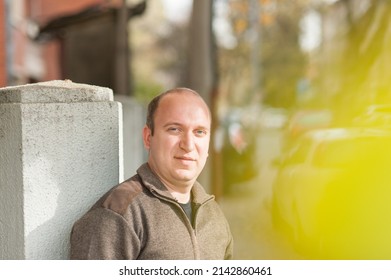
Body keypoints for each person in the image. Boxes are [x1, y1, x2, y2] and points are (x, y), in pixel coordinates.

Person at [70, 87, 233, 259]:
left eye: (199, 132)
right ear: (148, 138)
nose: (189, 145)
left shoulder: (214, 214)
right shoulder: (117, 215)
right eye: (174, 129)